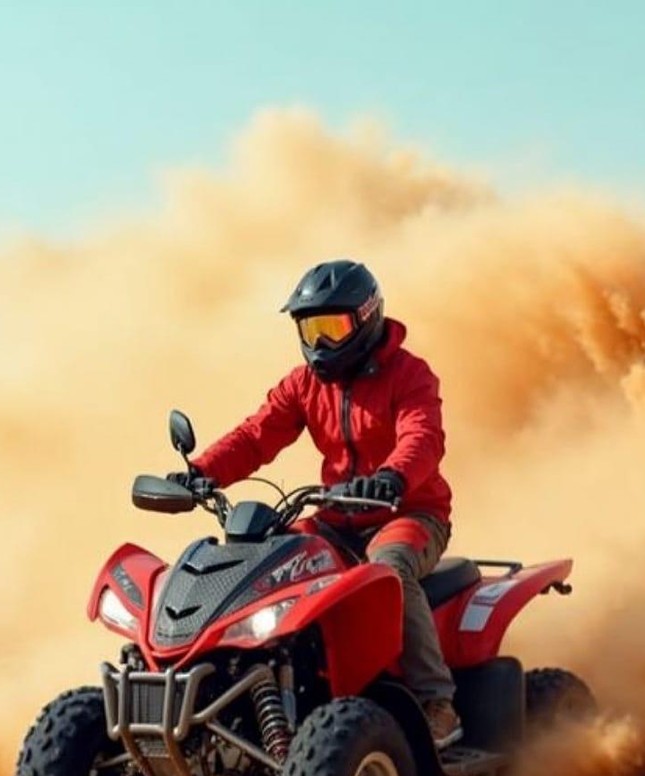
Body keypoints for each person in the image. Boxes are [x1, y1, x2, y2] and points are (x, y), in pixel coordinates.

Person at [177, 259, 462, 749]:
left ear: (368, 318)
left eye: (334, 327)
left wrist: (392, 476)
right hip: (333, 520)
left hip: (408, 515)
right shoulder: (303, 384)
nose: (322, 342)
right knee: (265, 565)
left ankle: (436, 702)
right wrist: (201, 472)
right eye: (312, 328)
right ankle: (257, 694)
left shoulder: (410, 375)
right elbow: (255, 436)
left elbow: (423, 436)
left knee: (388, 570)